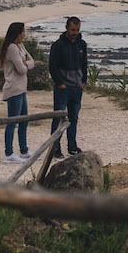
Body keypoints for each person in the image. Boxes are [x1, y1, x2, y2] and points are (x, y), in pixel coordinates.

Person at [48, 16, 88, 155]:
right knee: (58, 119)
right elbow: (52, 67)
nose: (74, 33)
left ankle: (72, 147)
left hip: (77, 88)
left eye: (77, 30)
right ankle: (55, 148)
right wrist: (60, 83)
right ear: (66, 28)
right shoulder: (58, 45)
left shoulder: (82, 44)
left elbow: (84, 64)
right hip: (63, 89)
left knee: (73, 119)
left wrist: (84, 81)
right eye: (72, 30)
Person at [0, 21, 34, 163]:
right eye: (23, 32)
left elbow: (32, 61)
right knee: (12, 122)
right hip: (14, 89)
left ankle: (24, 150)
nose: (25, 34)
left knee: (24, 121)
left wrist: (26, 63)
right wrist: (25, 64)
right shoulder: (12, 48)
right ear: (18, 33)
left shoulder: (20, 46)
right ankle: (8, 153)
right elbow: (21, 69)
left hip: (21, 88)